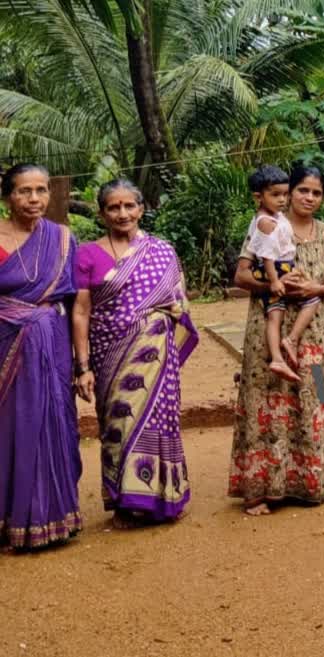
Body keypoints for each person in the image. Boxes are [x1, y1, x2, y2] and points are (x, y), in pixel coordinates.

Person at [71, 178, 198, 525]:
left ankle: (164, 497)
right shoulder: (86, 254)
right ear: (102, 213)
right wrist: (82, 366)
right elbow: (80, 312)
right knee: (118, 423)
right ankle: (125, 502)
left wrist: (156, 317)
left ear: (141, 209)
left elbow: (178, 301)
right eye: (113, 207)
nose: (122, 213)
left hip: (156, 353)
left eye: (129, 206)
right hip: (109, 354)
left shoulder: (162, 250)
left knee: (159, 420)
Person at [229, 166, 324, 516]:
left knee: (313, 398)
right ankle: (261, 490)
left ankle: (311, 484)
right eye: (303, 190)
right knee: (267, 399)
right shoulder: (268, 224)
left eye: (317, 193)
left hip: (313, 328)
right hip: (269, 324)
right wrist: (274, 286)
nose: (309, 198)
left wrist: (314, 288)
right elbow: (241, 275)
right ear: (289, 192)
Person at [0, 163, 83, 549]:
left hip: (52, 347)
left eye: (41, 190)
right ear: (8, 197)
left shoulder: (62, 239)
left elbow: (78, 304)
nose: (34, 199)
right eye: (24, 191)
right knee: (10, 427)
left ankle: (51, 515)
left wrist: (82, 364)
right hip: (6, 346)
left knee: (51, 422)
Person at [246, 165, 317, 382]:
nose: (282, 200)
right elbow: (267, 254)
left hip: (281, 267)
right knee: (309, 299)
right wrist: (275, 280)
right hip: (276, 268)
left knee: (275, 314)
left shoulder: (273, 217)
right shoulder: (266, 222)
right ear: (258, 197)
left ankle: (279, 356)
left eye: (285, 194)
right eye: (275, 195)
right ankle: (290, 341)